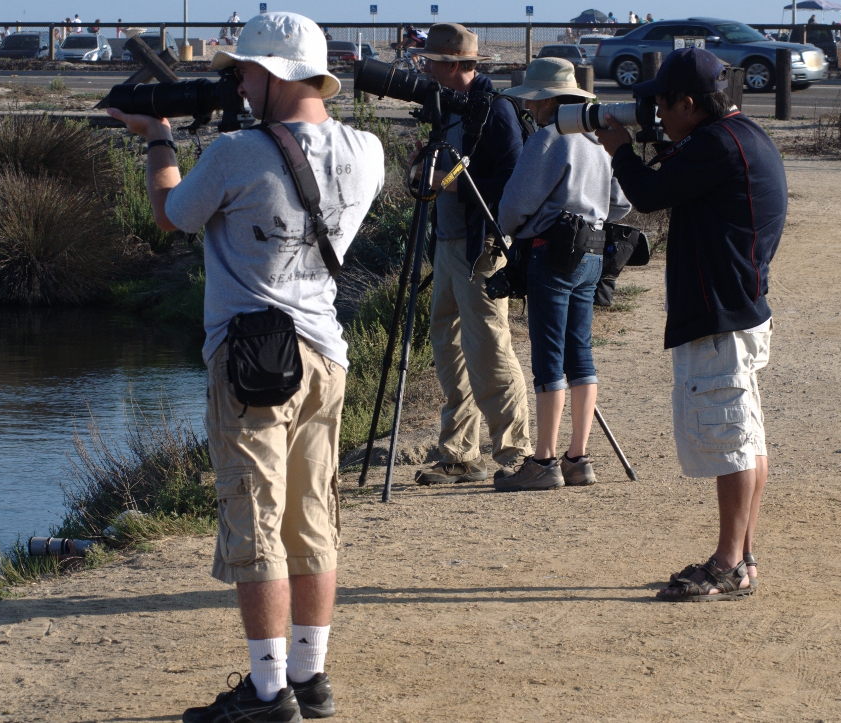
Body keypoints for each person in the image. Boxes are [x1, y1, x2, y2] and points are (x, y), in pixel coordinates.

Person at [107, 11, 384, 723]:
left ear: (273, 74)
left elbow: (171, 213)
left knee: (254, 520)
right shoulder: (368, 151)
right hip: (324, 351)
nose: (235, 82)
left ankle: (267, 693)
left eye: (244, 71)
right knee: (312, 514)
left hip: (252, 361)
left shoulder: (235, 153)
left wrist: (159, 139)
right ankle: (310, 675)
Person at [593, 47, 786, 601]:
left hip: (720, 316)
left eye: (661, 101)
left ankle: (727, 563)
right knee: (745, 438)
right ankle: (743, 557)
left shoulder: (717, 147)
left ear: (687, 102)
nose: (654, 109)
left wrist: (621, 152)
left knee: (729, 440)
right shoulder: (740, 135)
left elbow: (649, 193)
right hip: (739, 308)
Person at [494, 58, 631, 492]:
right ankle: (577, 457)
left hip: (550, 252)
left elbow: (514, 207)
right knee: (581, 356)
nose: (531, 108)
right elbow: (622, 205)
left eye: (535, 100)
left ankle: (543, 460)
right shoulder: (597, 140)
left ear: (550, 98)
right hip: (591, 252)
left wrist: (518, 227)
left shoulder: (550, 137)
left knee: (548, 359)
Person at [409, 23, 533, 486]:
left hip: (481, 244)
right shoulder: (445, 109)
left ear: (458, 65)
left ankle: (516, 452)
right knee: (447, 345)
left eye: (433, 63)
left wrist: (459, 180)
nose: (426, 70)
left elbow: (514, 179)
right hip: (446, 240)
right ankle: (460, 453)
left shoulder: (494, 109)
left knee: (487, 344)